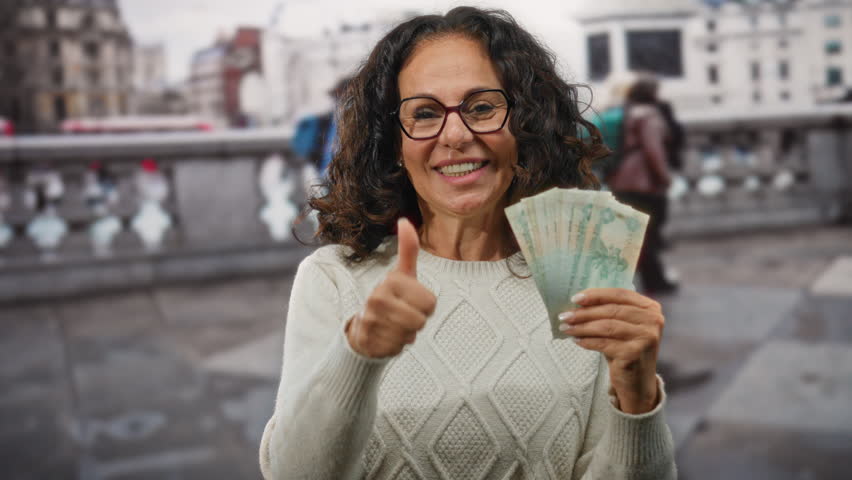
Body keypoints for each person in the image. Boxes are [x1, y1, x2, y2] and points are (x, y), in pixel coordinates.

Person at [260, 8, 676, 480]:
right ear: (394, 143)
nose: (455, 135)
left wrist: (637, 397)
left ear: (526, 123)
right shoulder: (333, 278)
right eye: (424, 113)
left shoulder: (581, 282)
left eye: (481, 107)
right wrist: (359, 353)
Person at [607, 73, 679, 295]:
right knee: (646, 234)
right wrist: (664, 177)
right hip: (642, 182)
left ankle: (643, 278)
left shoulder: (626, 113)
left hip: (621, 179)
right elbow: (653, 150)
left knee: (633, 233)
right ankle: (653, 280)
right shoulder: (649, 115)